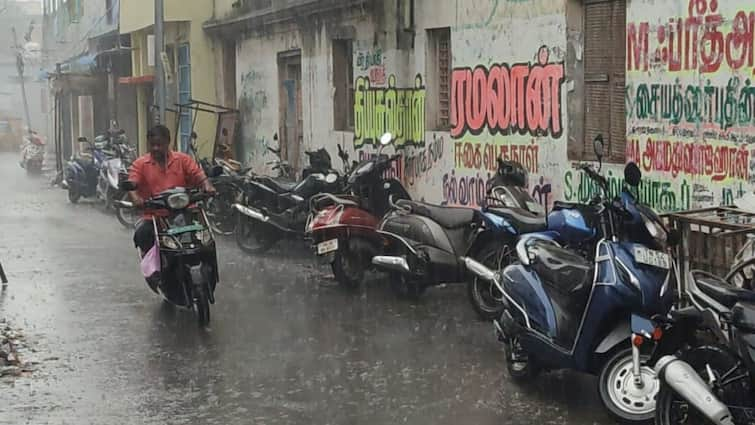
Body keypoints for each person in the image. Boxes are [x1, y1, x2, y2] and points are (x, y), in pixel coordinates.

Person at [129, 125, 216, 254]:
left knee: (206, 239)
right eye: (152, 145)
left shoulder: (182, 159)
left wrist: (207, 185)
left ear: (167, 142)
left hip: (185, 212)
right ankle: (153, 271)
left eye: (160, 144)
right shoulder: (140, 164)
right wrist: (136, 198)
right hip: (156, 215)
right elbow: (132, 182)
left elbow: (197, 173)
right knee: (142, 235)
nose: (156, 148)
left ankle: (209, 269)